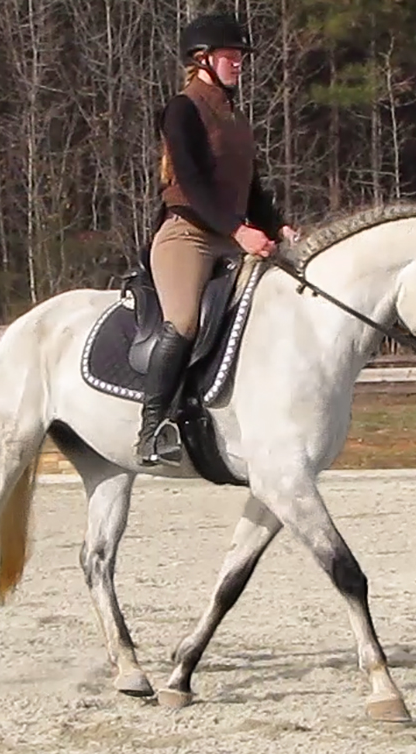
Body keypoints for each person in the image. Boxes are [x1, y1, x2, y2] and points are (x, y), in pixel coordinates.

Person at [135, 11, 300, 466]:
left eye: (241, 55)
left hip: (233, 236)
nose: (239, 62)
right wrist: (239, 230)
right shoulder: (182, 109)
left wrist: (277, 226)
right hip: (186, 234)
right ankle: (152, 429)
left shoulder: (236, 120)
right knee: (184, 321)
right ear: (203, 59)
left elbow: (252, 190)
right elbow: (191, 182)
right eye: (232, 55)